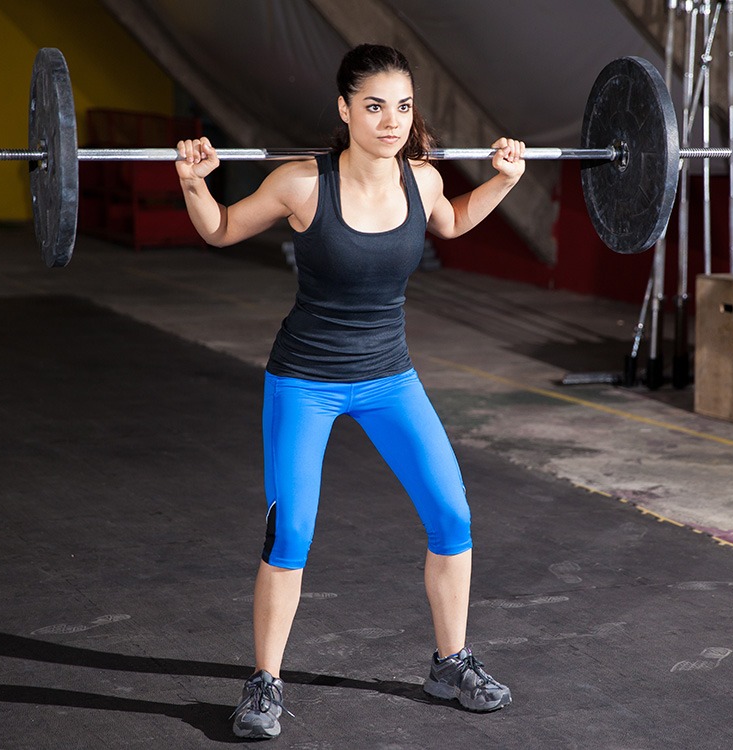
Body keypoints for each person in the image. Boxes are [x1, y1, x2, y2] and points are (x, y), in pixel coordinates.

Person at [176, 43, 525, 740]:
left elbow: (451, 221)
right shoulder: (302, 183)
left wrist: (506, 182)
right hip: (305, 382)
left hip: (389, 377)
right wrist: (193, 182)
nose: (391, 121)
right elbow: (218, 230)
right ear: (344, 110)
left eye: (402, 107)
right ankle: (265, 682)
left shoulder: (421, 183)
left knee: (452, 516)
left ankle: (449, 662)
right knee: (292, 534)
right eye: (374, 107)